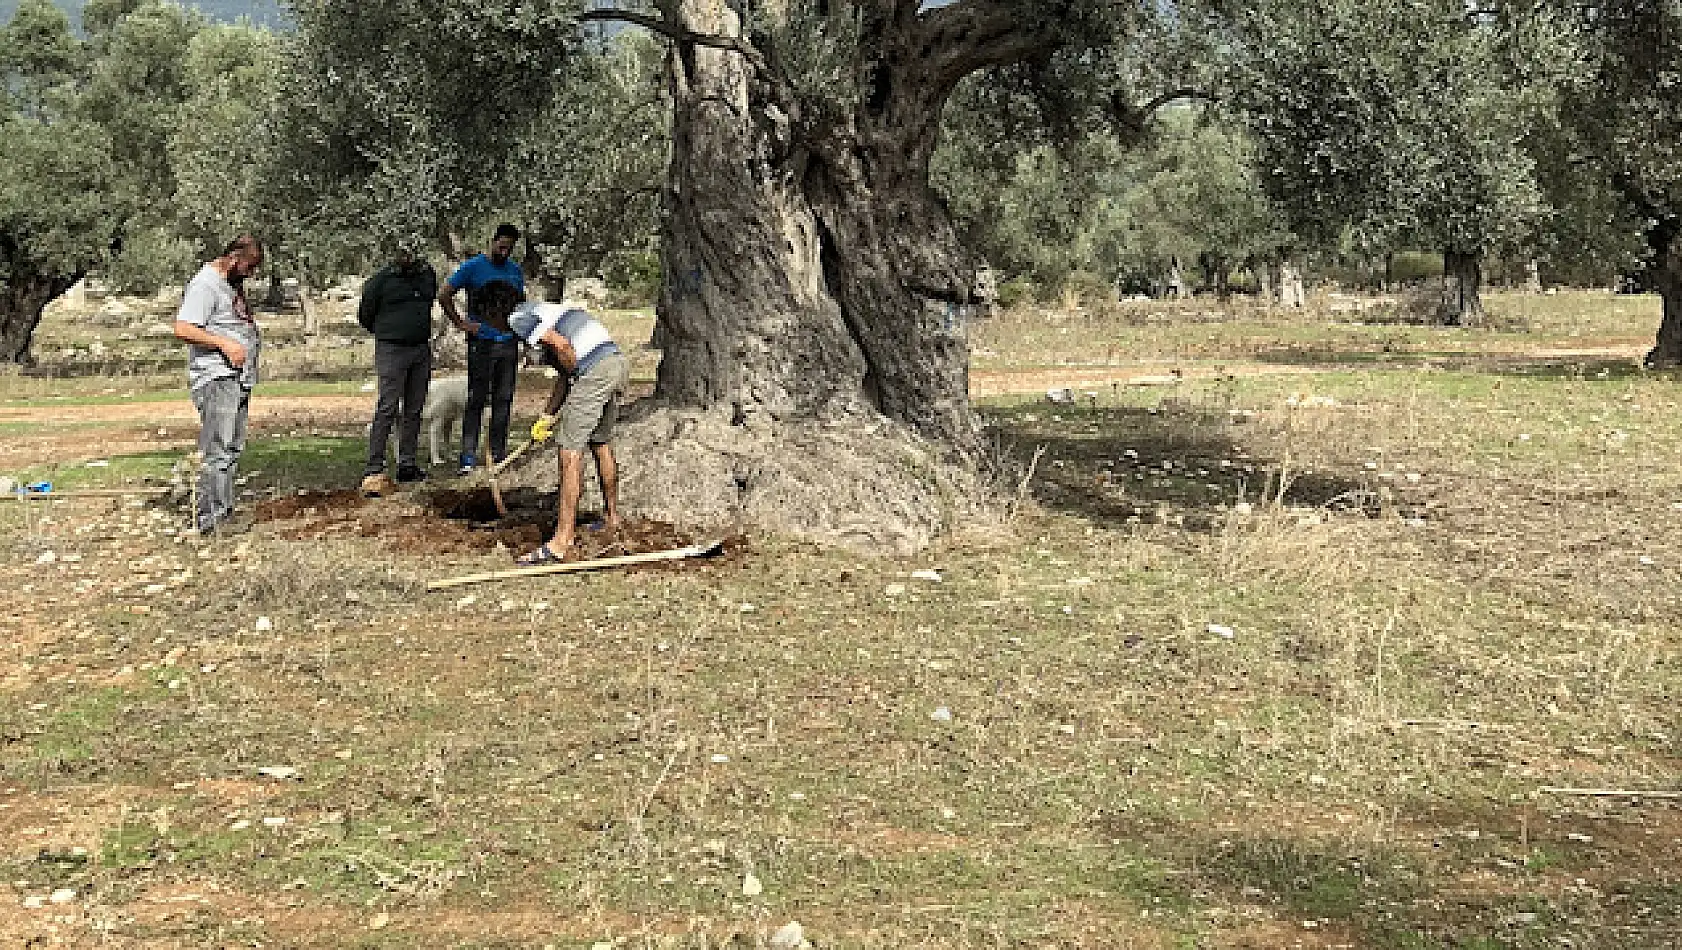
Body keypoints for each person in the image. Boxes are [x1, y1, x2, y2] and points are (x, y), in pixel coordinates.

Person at [489, 284, 629, 565]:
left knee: (568, 451)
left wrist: (579, 374)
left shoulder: (518, 318)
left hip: (594, 371)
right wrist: (547, 416)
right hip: (614, 363)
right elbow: (565, 374)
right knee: (600, 443)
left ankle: (561, 542)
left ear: (493, 312)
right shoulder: (547, 311)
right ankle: (612, 518)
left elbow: (564, 349)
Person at [172, 234, 264, 535]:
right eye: (249, 267)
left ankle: (224, 511)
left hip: (237, 378)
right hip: (216, 377)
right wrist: (223, 344)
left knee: (233, 448)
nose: (251, 274)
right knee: (217, 449)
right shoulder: (205, 285)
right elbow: (183, 328)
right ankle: (211, 519)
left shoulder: (229, 286)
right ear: (234, 258)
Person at [437, 223, 526, 475]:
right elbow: (445, 294)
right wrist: (460, 323)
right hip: (481, 344)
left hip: (508, 342)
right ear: (493, 241)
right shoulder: (472, 267)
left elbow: (520, 303)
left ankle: (498, 454)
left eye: (509, 248)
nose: (505, 252)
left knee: (504, 399)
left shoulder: (515, 272)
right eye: (502, 246)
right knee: (476, 398)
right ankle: (468, 456)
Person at [357, 242, 438, 485]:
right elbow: (365, 316)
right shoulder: (380, 281)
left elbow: (429, 302)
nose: (408, 256)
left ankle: (407, 464)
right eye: (403, 251)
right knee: (388, 407)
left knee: (414, 409)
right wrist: (388, 331)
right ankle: (375, 465)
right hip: (391, 349)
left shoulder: (427, 276)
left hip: (420, 348)